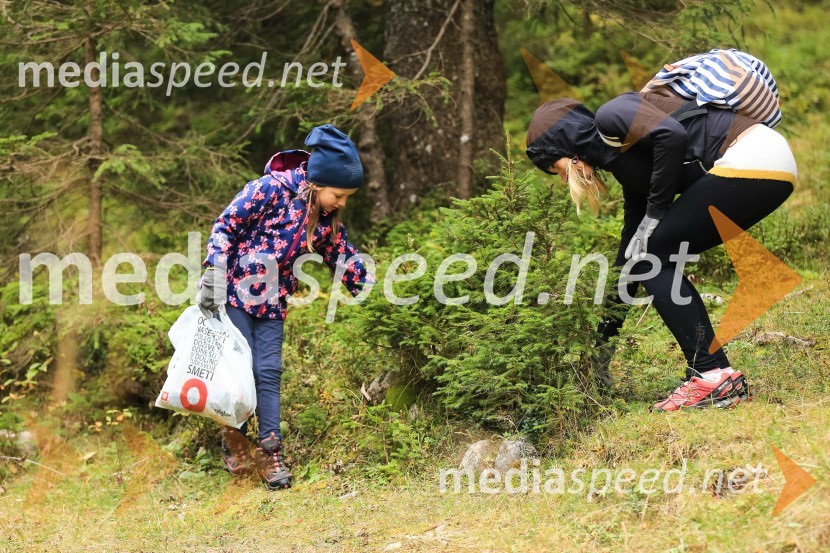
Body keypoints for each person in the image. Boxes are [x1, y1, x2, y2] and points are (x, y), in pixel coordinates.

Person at [525, 90, 797, 411]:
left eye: (553, 167)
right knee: (645, 258)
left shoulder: (611, 114)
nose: (560, 177)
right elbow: (628, 258)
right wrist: (602, 347)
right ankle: (714, 374)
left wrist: (656, 212)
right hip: (767, 168)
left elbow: (672, 134)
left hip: (749, 155)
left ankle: (711, 375)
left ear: (565, 147)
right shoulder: (629, 163)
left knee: (651, 258)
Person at [197, 124, 373, 489]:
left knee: (269, 372)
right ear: (317, 182)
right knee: (240, 372)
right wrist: (213, 271)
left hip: (273, 303)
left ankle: (272, 450)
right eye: (338, 195)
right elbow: (226, 225)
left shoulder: (321, 219)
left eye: (345, 198)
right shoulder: (268, 190)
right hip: (234, 295)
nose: (341, 203)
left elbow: (341, 253)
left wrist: (371, 291)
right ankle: (237, 443)